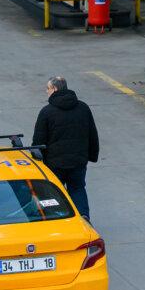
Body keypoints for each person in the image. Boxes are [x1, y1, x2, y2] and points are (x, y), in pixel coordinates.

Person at [31, 76, 100, 221]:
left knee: (54, 192)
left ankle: (57, 220)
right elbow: (92, 133)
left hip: (55, 163)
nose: (46, 91)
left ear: (55, 89)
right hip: (78, 161)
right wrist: (92, 155)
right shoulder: (83, 107)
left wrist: (38, 159)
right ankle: (83, 217)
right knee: (78, 188)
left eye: (48, 88)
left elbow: (39, 139)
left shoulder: (47, 112)